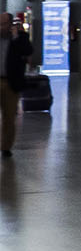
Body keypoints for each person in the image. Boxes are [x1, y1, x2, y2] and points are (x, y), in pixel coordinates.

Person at [1, 17, 36, 159]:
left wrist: (16, 36)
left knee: (9, 117)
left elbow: (28, 51)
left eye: (3, 24)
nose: (1, 27)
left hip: (10, 83)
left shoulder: (19, 38)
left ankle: (5, 147)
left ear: (11, 25)